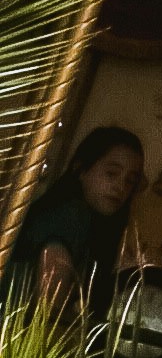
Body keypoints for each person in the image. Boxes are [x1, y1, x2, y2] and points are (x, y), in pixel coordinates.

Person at [7, 123, 144, 324]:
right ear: (81, 169)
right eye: (112, 173)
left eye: (130, 180)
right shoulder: (71, 215)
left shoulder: (79, 218)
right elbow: (49, 304)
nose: (120, 186)